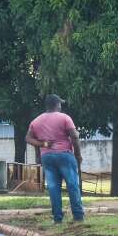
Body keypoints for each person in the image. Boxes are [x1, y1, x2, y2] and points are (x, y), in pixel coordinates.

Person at [26, 94, 84, 223]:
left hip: (47, 157)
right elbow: (74, 136)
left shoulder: (36, 121)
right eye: (60, 104)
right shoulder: (64, 118)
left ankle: (57, 218)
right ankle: (78, 216)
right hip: (64, 155)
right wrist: (78, 155)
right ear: (57, 105)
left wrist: (43, 144)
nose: (61, 106)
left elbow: (28, 138)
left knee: (53, 187)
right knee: (72, 185)